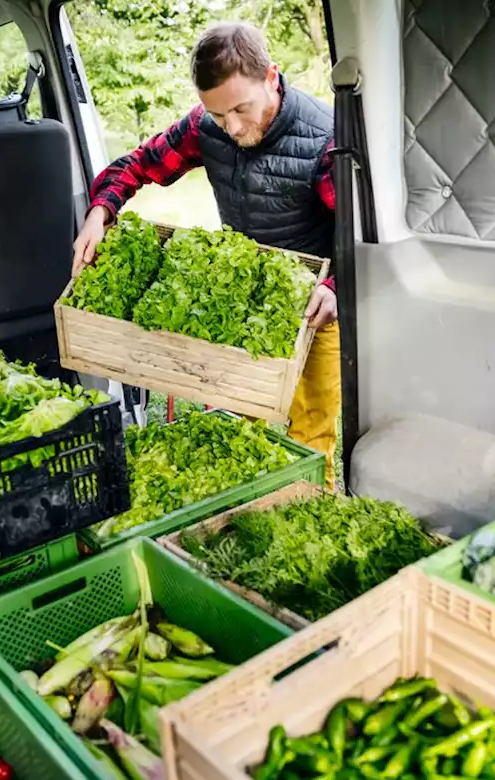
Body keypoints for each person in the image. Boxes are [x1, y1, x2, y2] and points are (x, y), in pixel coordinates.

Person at [71, 21, 342, 485]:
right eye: (219, 116)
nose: (232, 127)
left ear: (271, 77)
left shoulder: (323, 140)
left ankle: (304, 504)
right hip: (246, 300)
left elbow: (358, 234)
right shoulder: (205, 128)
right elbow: (138, 164)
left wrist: (337, 288)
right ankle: (248, 508)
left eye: (241, 108)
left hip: (318, 308)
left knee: (309, 435)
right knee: (250, 426)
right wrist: (101, 210)